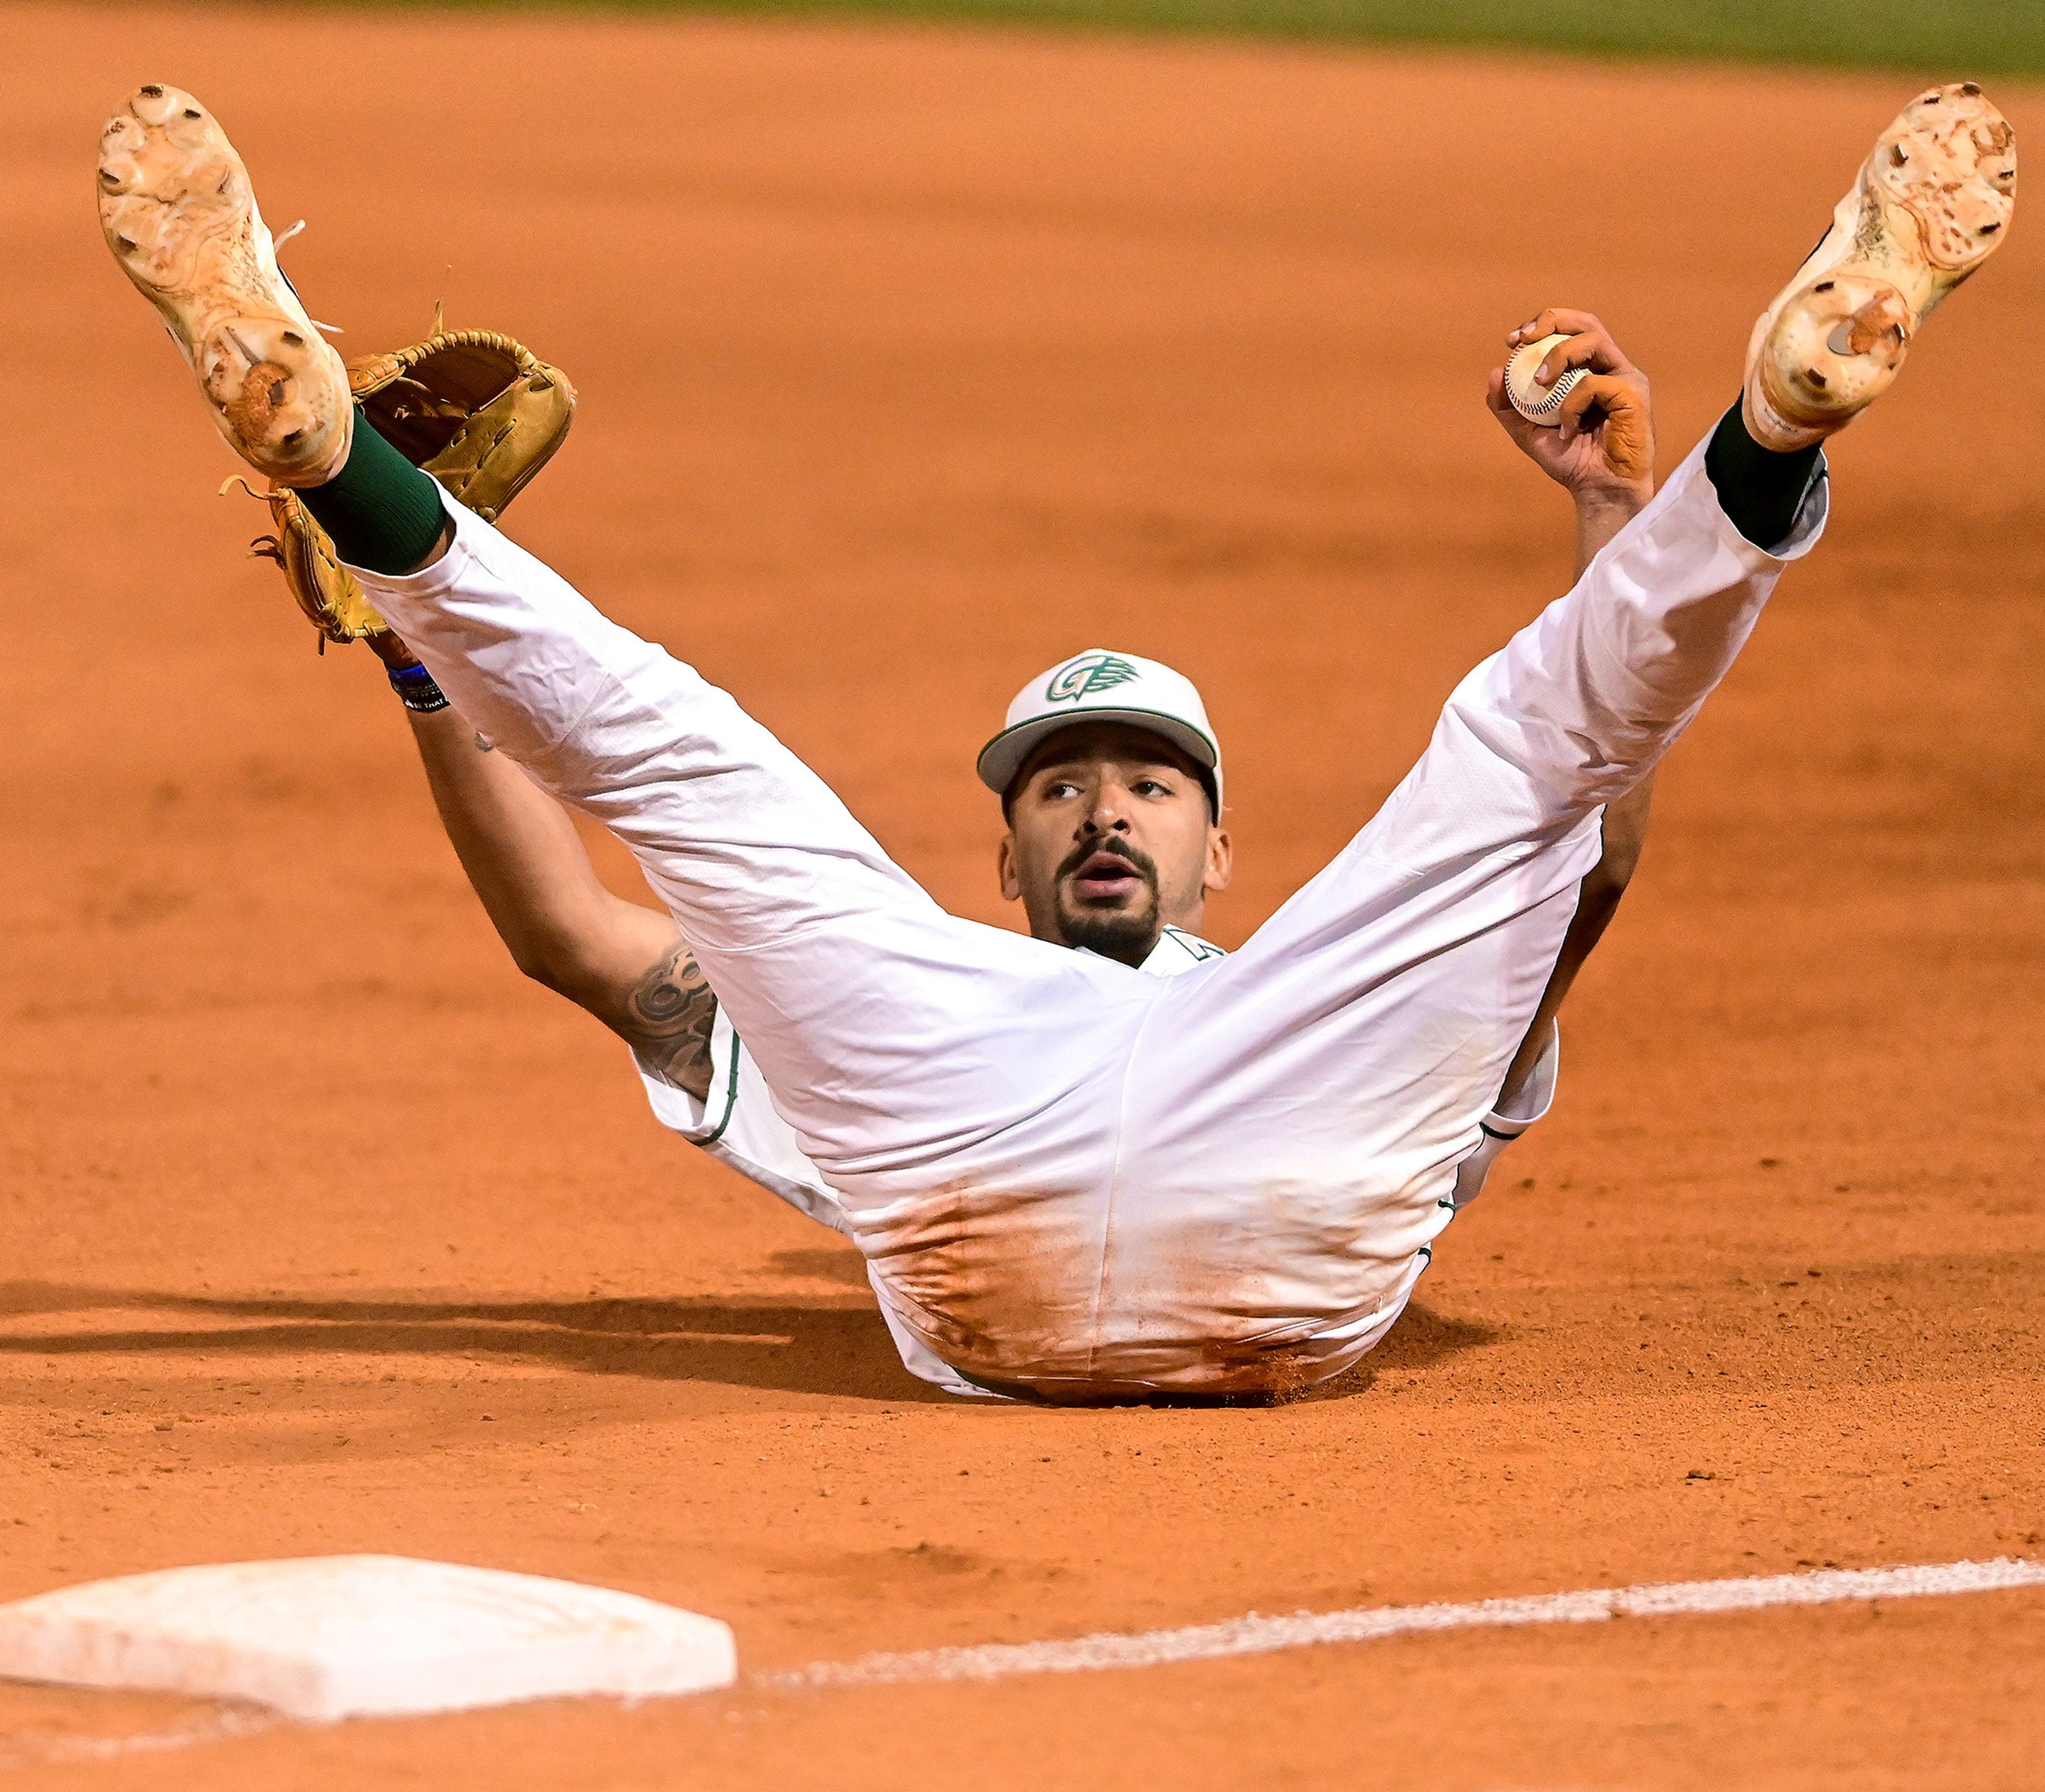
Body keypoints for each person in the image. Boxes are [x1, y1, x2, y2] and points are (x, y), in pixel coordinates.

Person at [97, 82, 2013, 1400]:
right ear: (1000, 855)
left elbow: (1574, 848)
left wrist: (1616, 512)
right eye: (1063, 785)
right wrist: (417, 668)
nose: (1107, 807)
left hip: (1251, 1146)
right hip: (994, 1146)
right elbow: (575, 934)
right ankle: (331, 453)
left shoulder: (1305, 992)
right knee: (709, 765)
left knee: (1512, 764)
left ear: (1217, 852)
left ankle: (1771, 428)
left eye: (1152, 782)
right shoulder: (908, 1010)